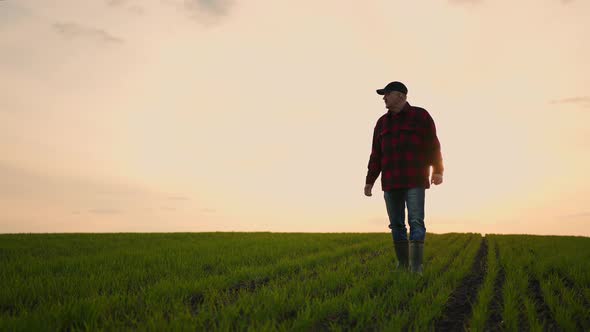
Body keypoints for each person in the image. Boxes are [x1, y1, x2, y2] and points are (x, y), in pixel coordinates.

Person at [364, 81, 444, 275]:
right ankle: (402, 265)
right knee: (397, 224)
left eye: (387, 94)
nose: (384, 98)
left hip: (415, 179)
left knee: (416, 221)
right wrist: (369, 181)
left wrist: (438, 170)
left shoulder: (421, 116)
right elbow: (376, 154)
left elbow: (433, 144)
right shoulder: (381, 123)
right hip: (391, 182)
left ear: (400, 95)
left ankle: (416, 268)